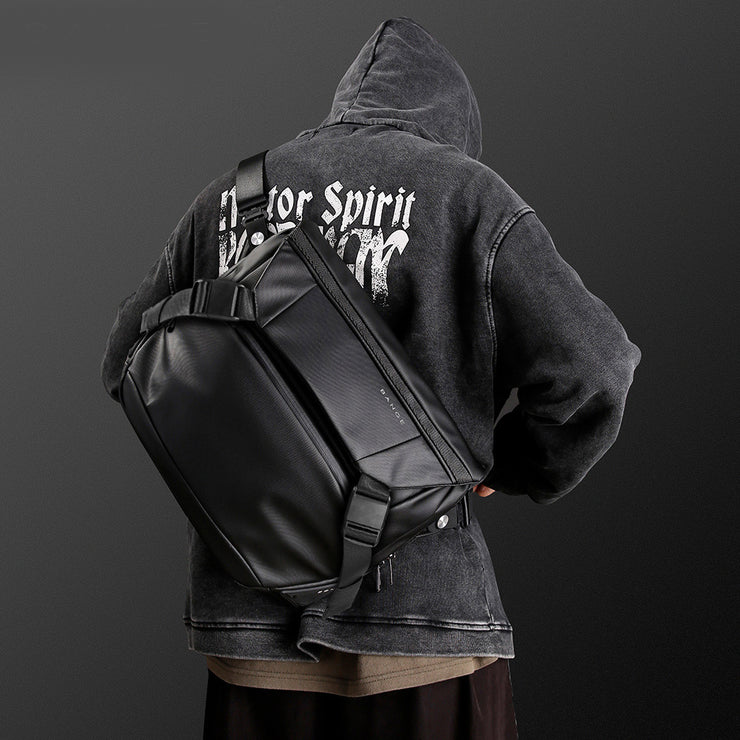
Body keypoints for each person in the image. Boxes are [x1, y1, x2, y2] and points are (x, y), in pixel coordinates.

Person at [100, 16, 641, 740]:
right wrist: (511, 466)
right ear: (454, 124)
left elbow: (125, 360)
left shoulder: (229, 195)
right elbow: (597, 366)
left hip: (248, 632)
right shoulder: (467, 194)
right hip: (423, 627)